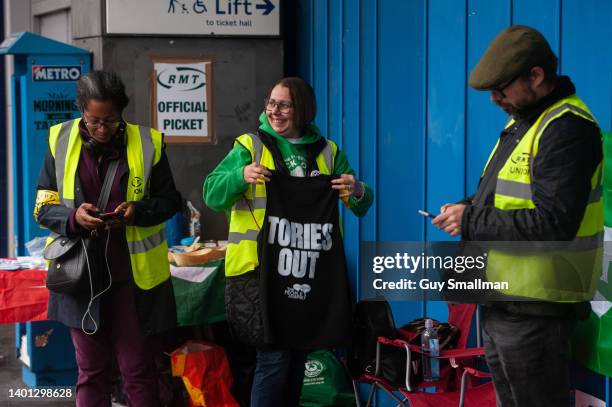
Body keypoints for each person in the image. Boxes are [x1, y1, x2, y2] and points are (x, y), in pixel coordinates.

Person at [432, 26, 602, 406]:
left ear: (536, 76)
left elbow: (553, 222)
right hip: (505, 299)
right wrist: (463, 207)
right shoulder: (524, 118)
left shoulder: (567, 128)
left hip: (536, 307)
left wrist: (470, 219)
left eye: (502, 88)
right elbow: (499, 196)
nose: (495, 98)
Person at [204, 76, 373, 407]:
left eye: (284, 105)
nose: (274, 111)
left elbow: (361, 204)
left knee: (297, 360)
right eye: (271, 103)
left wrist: (358, 189)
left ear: (303, 110)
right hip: (256, 272)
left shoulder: (328, 152)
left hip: (307, 273)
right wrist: (240, 177)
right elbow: (211, 192)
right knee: (274, 359)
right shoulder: (249, 146)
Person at [35, 70, 180, 406]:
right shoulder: (59, 140)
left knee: (138, 370)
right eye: (93, 121)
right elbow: (43, 207)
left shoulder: (148, 143)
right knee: (91, 372)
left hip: (133, 281)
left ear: (122, 113)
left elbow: (169, 201)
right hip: (79, 278)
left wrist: (138, 211)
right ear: (81, 110)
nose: (101, 129)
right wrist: (73, 218)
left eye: (110, 121)